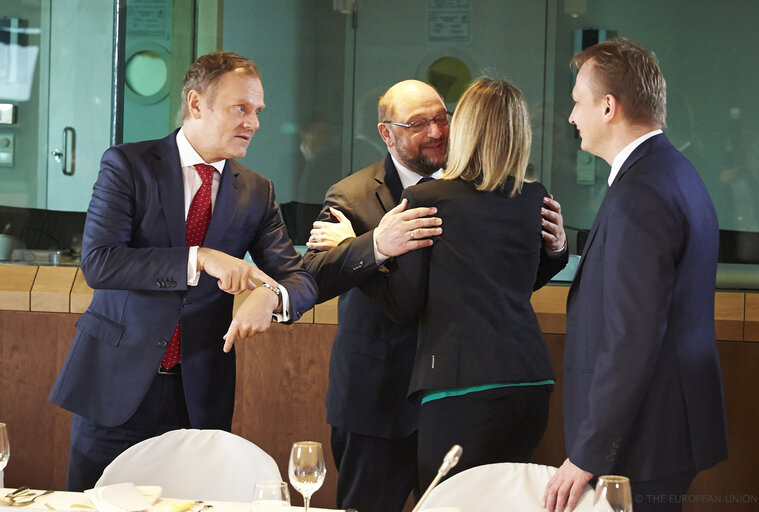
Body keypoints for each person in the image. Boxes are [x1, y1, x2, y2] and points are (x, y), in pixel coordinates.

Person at [49, 51, 317, 491]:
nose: (254, 122)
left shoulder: (256, 191)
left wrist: (270, 297)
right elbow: (100, 262)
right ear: (196, 104)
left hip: (197, 395)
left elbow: (299, 277)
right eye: (241, 109)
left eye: (258, 111)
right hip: (116, 386)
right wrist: (200, 257)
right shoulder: (128, 166)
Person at [302, 79, 567, 512]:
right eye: (419, 123)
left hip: (458, 394)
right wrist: (371, 246)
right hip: (380, 404)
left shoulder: (492, 188)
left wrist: (556, 250)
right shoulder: (349, 196)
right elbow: (314, 276)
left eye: (442, 118)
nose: (436, 132)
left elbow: (502, 281)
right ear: (387, 133)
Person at [543, 39, 727, 512]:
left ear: (609, 106)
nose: (571, 117)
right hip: (662, 429)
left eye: (577, 102)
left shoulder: (640, 193)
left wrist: (589, 452)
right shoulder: (674, 171)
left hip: (641, 442)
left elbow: (633, 336)